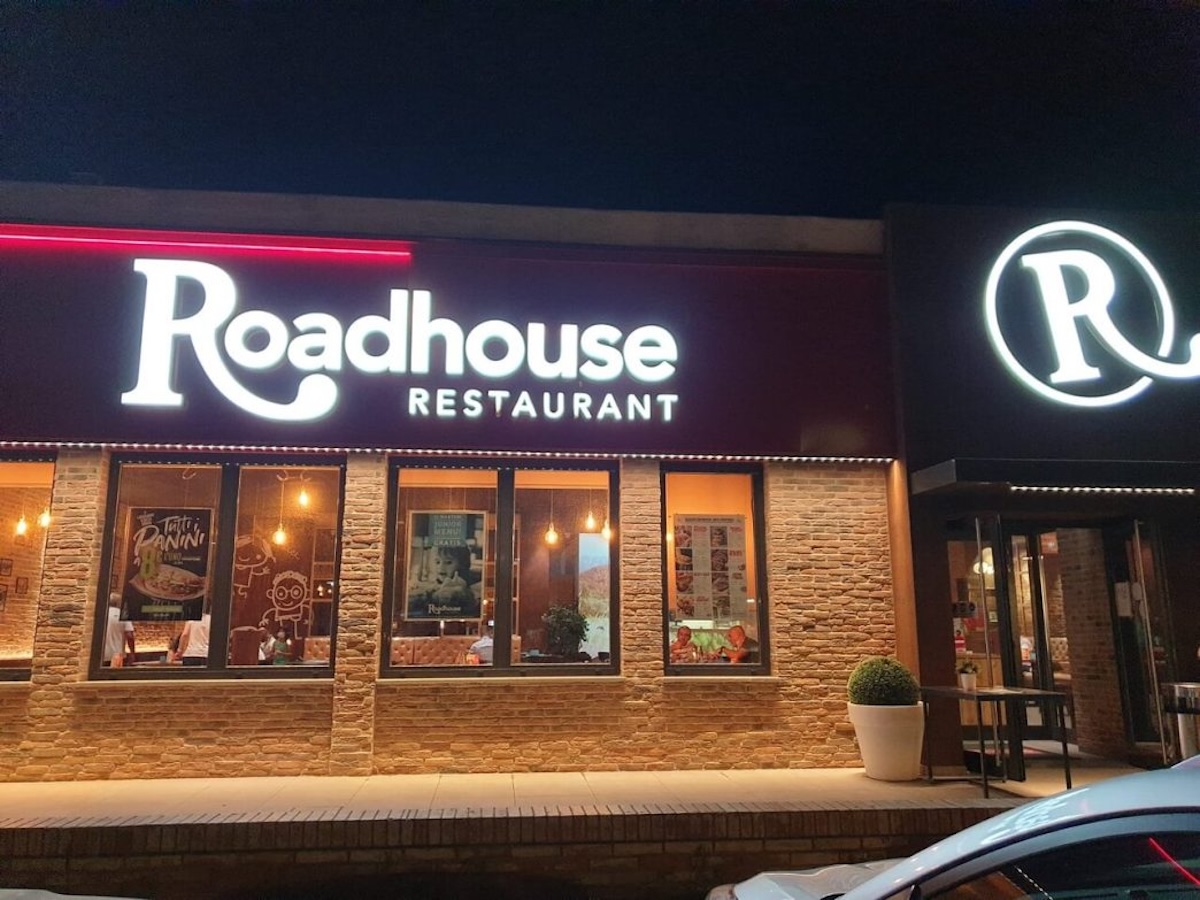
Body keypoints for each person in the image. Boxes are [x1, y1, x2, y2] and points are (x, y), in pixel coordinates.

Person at [103, 593, 135, 666]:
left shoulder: (102, 614)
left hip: (101, 655)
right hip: (117, 655)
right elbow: (130, 636)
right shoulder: (123, 615)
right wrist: (132, 653)